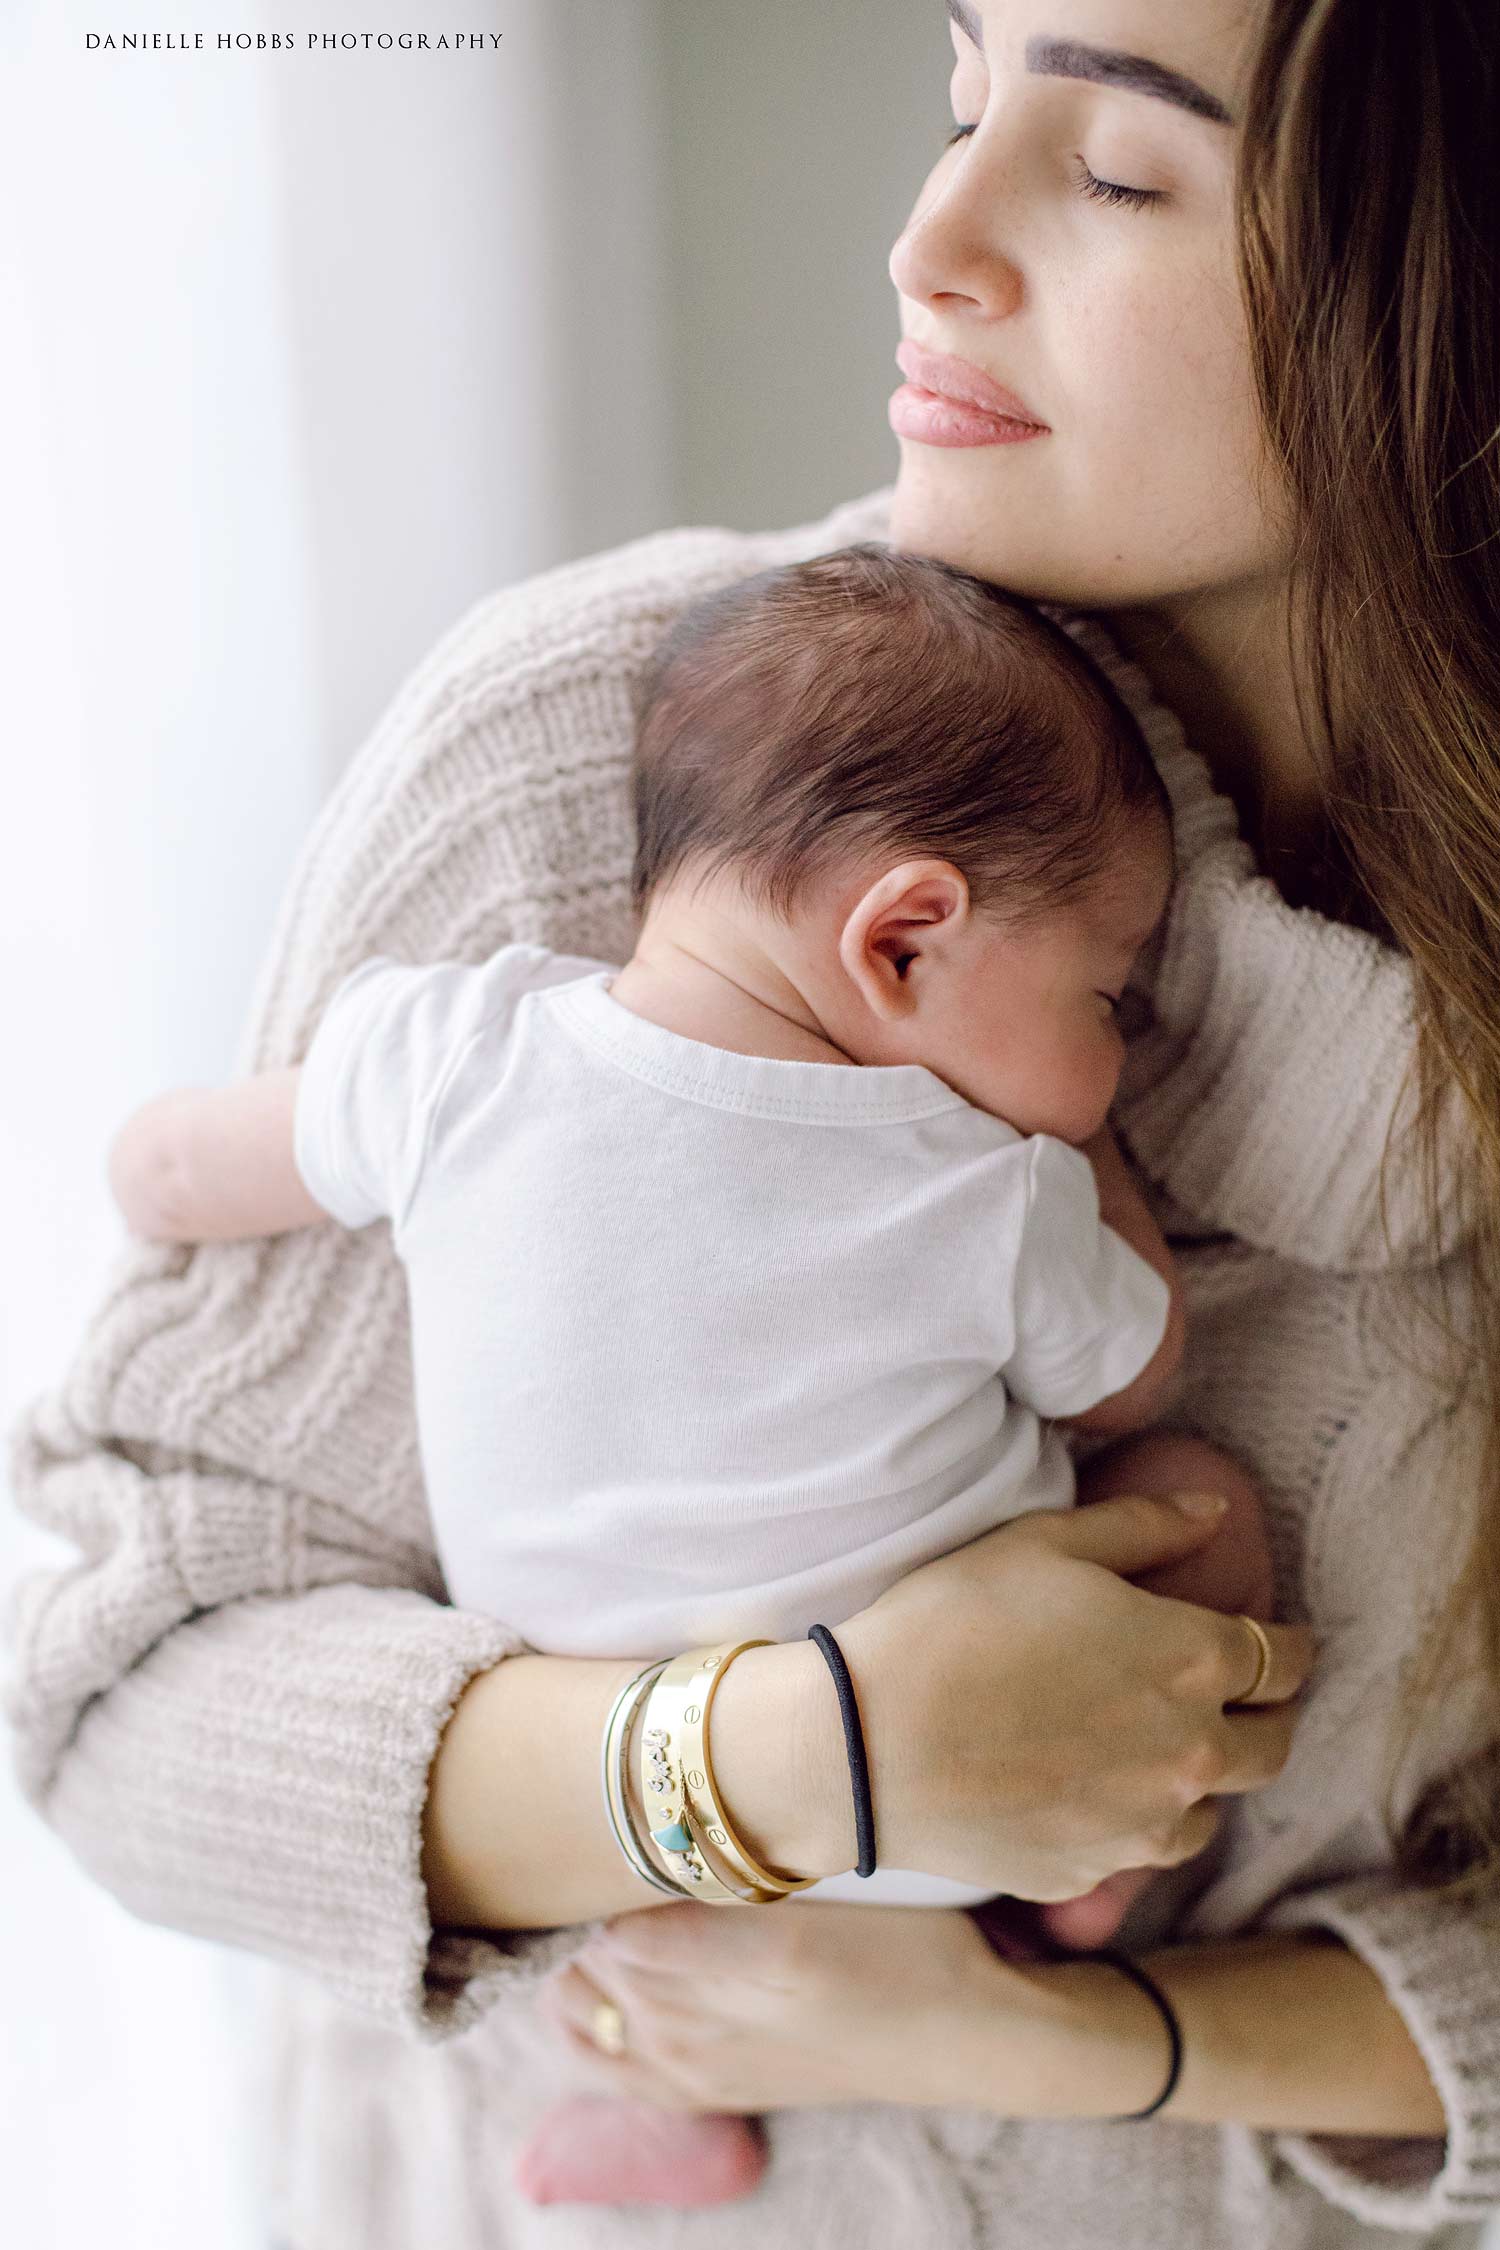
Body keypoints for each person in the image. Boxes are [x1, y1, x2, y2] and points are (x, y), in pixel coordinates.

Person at [6, 1, 1498, 2244]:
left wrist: (1070, 2044)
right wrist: (792, 1758)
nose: (929, 241)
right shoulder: (621, 755)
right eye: (963, 93)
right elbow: (112, 1695)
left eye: (1116, 173)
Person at [102, 543, 1276, 2208]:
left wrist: (138, 1168)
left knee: (631, 1932)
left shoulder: (454, 1053)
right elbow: (1133, 1381)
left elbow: (184, 1169)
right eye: (1106, 992)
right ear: (904, 939)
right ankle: (1074, 1902)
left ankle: (653, 2105)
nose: (1116, 1054)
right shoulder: (978, 1186)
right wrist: (1107, 1181)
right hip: (974, 1803)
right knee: (1199, 1509)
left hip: (585, 1789)